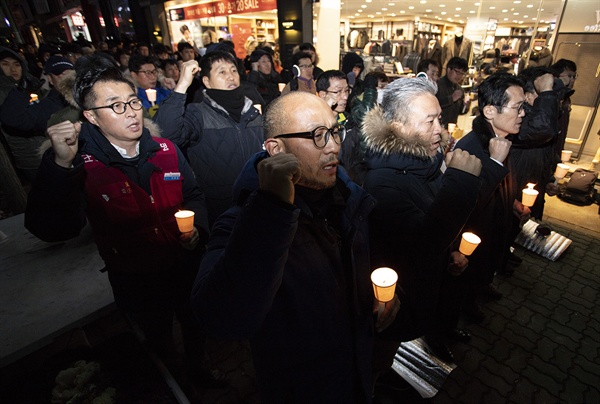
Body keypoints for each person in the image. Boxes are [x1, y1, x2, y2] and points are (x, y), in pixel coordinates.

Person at [191, 91, 399, 402]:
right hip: (302, 387)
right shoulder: (244, 222)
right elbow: (220, 318)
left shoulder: (349, 197)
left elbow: (369, 261)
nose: (333, 145)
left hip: (356, 368)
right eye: (317, 135)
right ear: (276, 149)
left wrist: (386, 297)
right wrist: (271, 210)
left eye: (334, 131)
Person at [23, 65, 221, 389]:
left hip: (185, 266)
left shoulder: (167, 151)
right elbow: (53, 228)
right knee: (157, 339)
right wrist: (60, 166)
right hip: (137, 279)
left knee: (195, 323)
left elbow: (194, 195)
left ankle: (200, 369)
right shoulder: (81, 165)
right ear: (91, 116)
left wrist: (197, 226)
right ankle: (170, 381)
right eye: (116, 106)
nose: (130, 112)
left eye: (133, 102)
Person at [361, 78, 482, 364]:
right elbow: (422, 245)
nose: (440, 129)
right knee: (379, 359)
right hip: (400, 297)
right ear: (400, 127)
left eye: (439, 118)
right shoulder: (383, 182)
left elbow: (432, 214)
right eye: (430, 121)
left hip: (425, 289)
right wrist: (462, 182)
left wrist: (453, 248)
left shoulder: (425, 161)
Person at [153, 52, 264, 227]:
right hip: (219, 210)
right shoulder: (197, 114)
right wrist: (182, 86)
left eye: (233, 70)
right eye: (222, 72)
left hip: (256, 205)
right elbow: (166, 133)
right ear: (206, 81)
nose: (231, 76)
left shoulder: (254, 114)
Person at [454, 73, 530, 320]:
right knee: (464, 281)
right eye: (517, 108)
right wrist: (495, 163)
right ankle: (460, 311)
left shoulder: (501, 139)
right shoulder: (472, 148)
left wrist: (511, 202)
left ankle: (478, 290)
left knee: (483, 269)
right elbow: (467, 201)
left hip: (493, 227)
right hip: (473, 235)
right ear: (489, 111)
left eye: (523, 107)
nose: (523, 114)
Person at [510, 67, 564, 220]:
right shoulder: (519, 121)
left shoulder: (546, 119)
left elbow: (543, 157)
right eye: (541, 94)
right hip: (513, 202)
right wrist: (546, 92)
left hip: (531, 197)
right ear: (526, 96)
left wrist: (546, 181)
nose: (553, 102)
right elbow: (542, 129)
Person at [0, 47, 44, 182]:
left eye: (17, 64)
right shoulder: (4, 93)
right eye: (5, 64)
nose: (13, 69)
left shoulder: (30, 85)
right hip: (28, 157)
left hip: (49, 151)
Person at [315, 69, 363, 183]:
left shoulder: (350, 123)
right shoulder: (311, 126)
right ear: (322, 94)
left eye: (346, 91)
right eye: (338, 92)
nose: (345, 97)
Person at [550, 59, 577, 161]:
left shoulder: (566, 98)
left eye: (574, 77)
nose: (572, 80)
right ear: (555, 76)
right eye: (569, 76)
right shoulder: (550, 97)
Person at [436, 56, 471, 128]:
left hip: (452, 129)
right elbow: (433, 105)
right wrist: (451, 98)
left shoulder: (459, 89)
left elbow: (460, 111)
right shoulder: (437, 85)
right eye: (457, 72)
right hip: (437, 128)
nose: (459, 76)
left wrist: (465, 107)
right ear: (448, 69)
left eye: (462, 73)